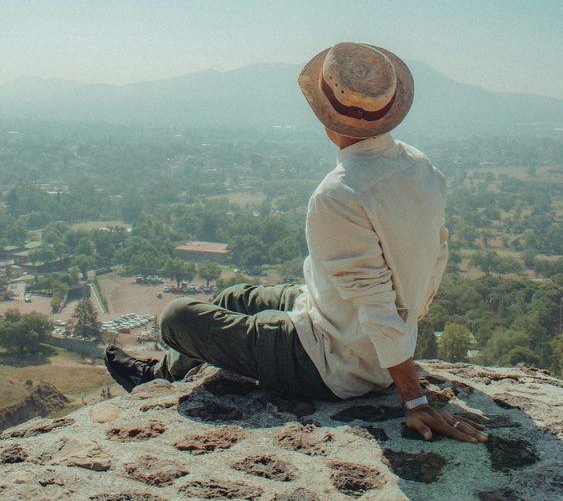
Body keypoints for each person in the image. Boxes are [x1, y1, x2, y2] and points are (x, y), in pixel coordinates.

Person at [105, 42, 487, 444]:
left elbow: (373, 300)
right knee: (236, 297)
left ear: (326, 116)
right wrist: (408, 324)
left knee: (175, 317)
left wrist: (413, 400)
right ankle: (162, 374)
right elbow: (436, 256)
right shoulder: (421, 167)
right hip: (345, 327)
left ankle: (153, 378)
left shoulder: (340, 194)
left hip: (333, 364)